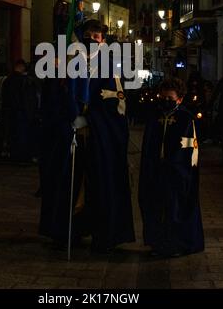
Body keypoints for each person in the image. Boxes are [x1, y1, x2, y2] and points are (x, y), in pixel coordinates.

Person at [39, 20, 135, 252]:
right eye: (89, 35)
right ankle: (64, 231)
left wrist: (91, 118)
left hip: (98, 136)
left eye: (98, 36)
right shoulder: (66, 65)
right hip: (69, 135)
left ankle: (104, 234)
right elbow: (53, 99)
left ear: (103, 40)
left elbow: (115, 101)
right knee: (66, 181)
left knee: (100, 182)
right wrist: (69, 117)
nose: (93, 39)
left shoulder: (110, 67)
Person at [138, 77, 204, 257]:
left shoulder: (185, 119)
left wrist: (176, 166)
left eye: (170, 99)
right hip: (156, 171)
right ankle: (157, 243)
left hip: (176, 172)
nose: (165, 101)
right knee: (155, 207)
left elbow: (189, 148)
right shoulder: (155, 116)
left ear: (179, 99)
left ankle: (175, 245)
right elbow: (148, 143)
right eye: (163, 98)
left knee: (174, 209)